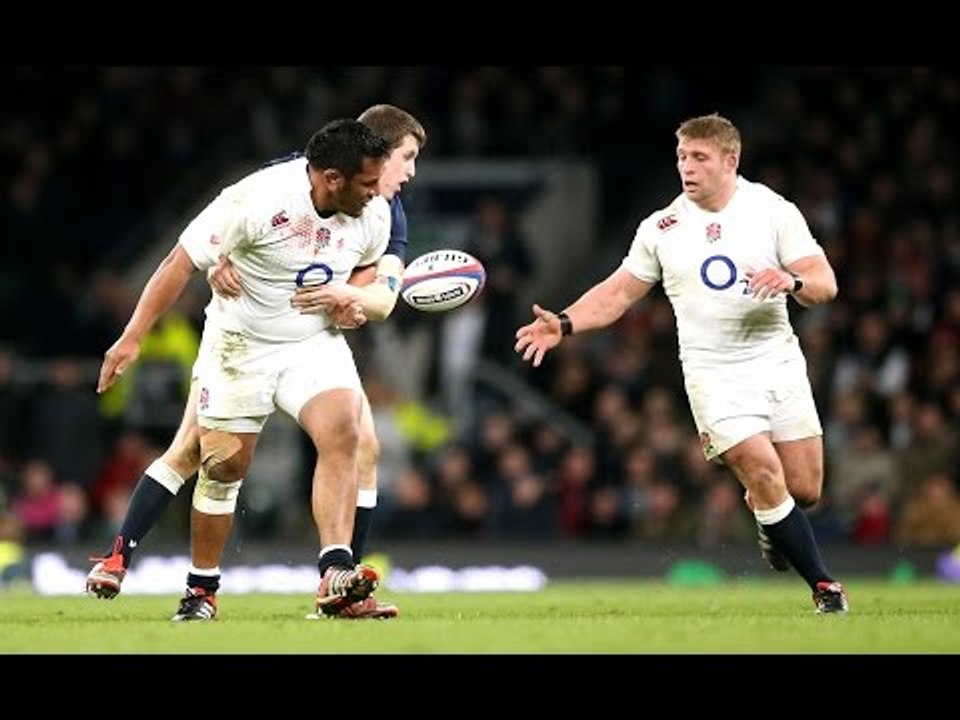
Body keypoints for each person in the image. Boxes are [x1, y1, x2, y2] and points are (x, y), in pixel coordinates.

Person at [87, 105, 425, 621]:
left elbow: (367, 272)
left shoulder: (375, 209)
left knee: (346, 433)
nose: (377, 193)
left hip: (312, 341)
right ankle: (200, 590)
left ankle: (336, 572)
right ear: (333, 179)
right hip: (242, 343)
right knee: (222, 466)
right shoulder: (258, 198)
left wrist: (349, 299)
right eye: (367, 183)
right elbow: (178, 263)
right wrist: (133, 337)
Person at [515, 112, 849, 613]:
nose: (686, 167)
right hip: (713, 374)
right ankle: (825, 587)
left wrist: (793, 281)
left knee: (803, 490)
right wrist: (563, 323)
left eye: (699, 157)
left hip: (776, 361)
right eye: (681, 157)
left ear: (730, 161)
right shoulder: (662, 228)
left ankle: (768, 516)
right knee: (762, 471)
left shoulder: (772, 211)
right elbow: (617, 294)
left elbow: (825, 284)